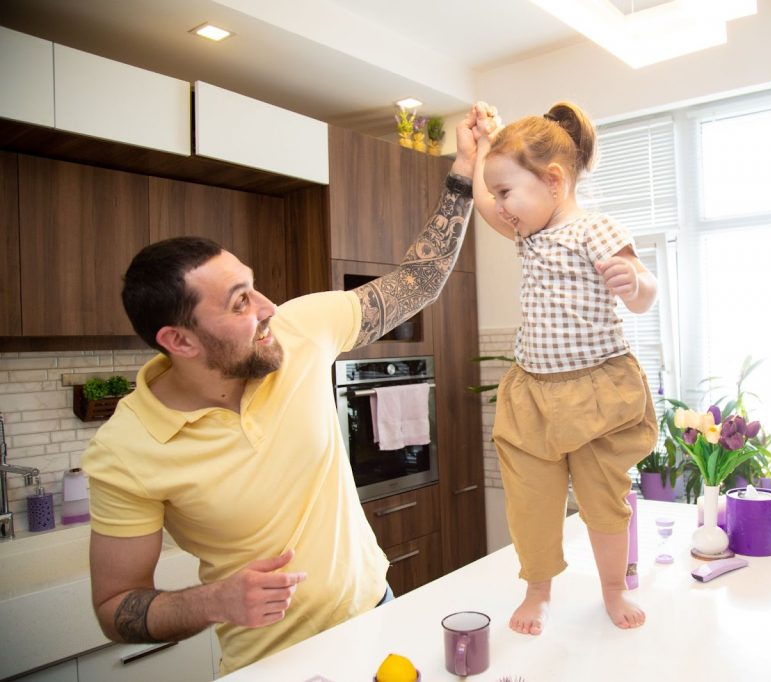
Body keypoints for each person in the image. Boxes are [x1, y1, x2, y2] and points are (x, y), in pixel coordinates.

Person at [81, 105, 484, 675]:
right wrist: (213, 601)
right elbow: (113, 606)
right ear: (180, 340)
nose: (269, 308)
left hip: (378, 619)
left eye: (254, 287)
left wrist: (463, 169)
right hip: (272, 667)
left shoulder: (299, 330)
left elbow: (418, 281)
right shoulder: (125, 450)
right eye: (240, 301)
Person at [471, 101, 659, 635]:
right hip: (534, 392)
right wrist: (485, 143)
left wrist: (634, 282)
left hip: (598, 390)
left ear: (553, 180)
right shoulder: (527, 233)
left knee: (604, 499)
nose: (501, 205)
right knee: (532, 501)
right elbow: (484, 203)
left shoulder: (592, 230)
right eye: (500, 191)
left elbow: (647, 291)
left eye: (509, 192)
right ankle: (538, 591)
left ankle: (612, 589)